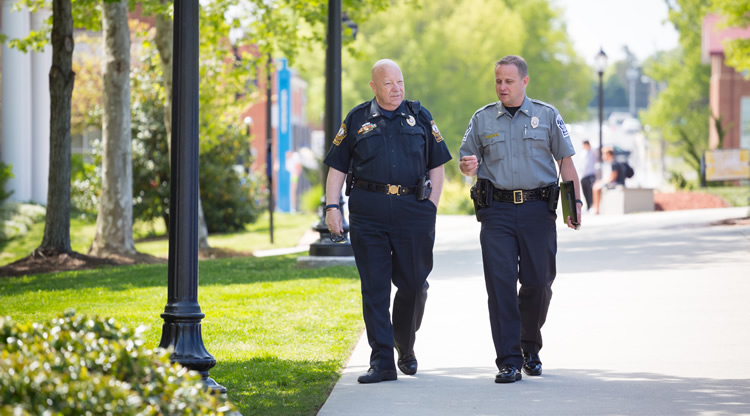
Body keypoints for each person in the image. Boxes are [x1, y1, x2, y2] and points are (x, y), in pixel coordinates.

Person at [323, 59, 452, 384]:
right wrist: (332, 207)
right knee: (375, 289)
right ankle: (382, 362)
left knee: (413, 285)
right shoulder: (357, 119)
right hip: (369, 213)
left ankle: (404, 346)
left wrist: (431, 208)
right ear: (374, 87)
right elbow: (337, 167)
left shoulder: (420, 116)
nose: (396, 89)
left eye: (400, 82)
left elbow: (438, 164)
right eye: (388, 84)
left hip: (413, 212)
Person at [458, 55, 582, 384]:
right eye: (498, 80)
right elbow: (465, 158)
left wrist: (575, 204)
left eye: (508, 81)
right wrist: (467, 167)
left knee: (538, 283)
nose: (502, 86)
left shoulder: (547, 115)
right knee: (500, 287)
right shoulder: (481, 119)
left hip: (537, 211)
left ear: (524, 82)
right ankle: (509, 360)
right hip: (496, 211)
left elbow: (565, 163)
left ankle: (530, 346)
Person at [591, 146, 624, 214]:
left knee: (596, 188)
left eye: (604, 154)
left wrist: (602, 182)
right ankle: (595, 207)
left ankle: (596, 209)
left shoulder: (614, 164)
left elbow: (612, 178)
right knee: (596, 185)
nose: (603, 156)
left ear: (608, 154)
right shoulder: (610, 163)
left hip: (617, 183)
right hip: (613, 182)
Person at [579, 140, 597, 211]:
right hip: (583, 175)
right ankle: (588, 206)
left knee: (590, 192)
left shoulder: (592, 151)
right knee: (585, 191)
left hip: (590, 174)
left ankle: (591, 206)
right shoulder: (583, 153)